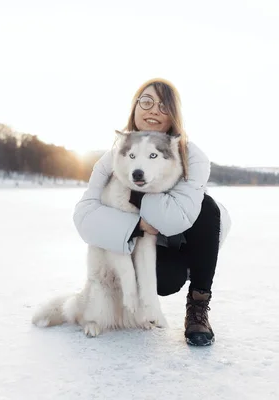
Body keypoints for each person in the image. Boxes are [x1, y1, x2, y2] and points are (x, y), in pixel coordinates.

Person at [73, 78, 231, 346]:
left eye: (164, 105)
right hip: (141, 245)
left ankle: (198, 306)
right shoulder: (114, 156)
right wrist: (136, 226)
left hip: (177, 243)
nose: (154, 109)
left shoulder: (193, 156)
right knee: (161, 278)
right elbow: (85, 215)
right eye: (146, 101)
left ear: (174, 114)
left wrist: (134, 191)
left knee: (208, 208)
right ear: (135, 108)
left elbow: (176, 218)